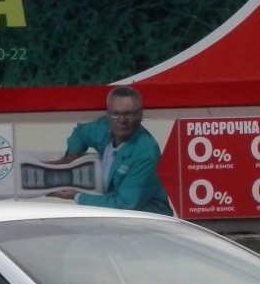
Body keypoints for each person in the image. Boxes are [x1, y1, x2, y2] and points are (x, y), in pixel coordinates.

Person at [47, 86, 172, 214]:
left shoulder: (146, 152)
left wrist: (76, 196)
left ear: (140, 115)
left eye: (128, 114)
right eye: (116, 114)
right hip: (114, 213)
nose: (122, 120)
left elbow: (125, 204)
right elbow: (80, 134)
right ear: (108, 114)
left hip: (148, 220)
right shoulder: (103, 126)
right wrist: (73, 155)